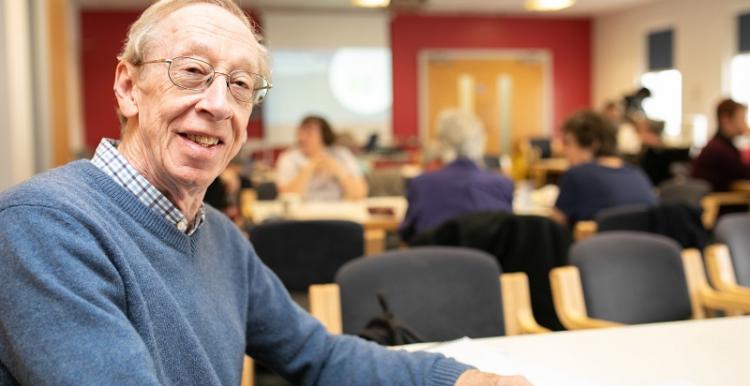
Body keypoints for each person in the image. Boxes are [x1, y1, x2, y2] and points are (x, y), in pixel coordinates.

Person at [0, 1, 530, 385]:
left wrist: (454, 379)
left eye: (240, 86)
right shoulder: (43, 225)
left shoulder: (222, 238)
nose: (219, 104)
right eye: (192, 72)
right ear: (127, 86)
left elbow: (316, 355)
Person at [399, 110, 514, 242]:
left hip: (434, 261)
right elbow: (507, 235)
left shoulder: (421, 184)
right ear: (480, 140)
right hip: (485, 261)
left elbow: (407, 233)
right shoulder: (502, 184)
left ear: (441, 142)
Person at [552, 111, 656, 225]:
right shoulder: (638, 174)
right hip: (642, 242)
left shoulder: (576, 175)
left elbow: (555, 227)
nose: (563, 151)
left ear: (592, 143)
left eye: (568, 143)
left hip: (596, 242)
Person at [276, 115, 368, 201]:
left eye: (309, 133)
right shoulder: (289, 158)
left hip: (338, 212)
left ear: (324, 136)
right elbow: (285, 196)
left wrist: (338, 170)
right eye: (300, 132)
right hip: (302, 214)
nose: (302, 138)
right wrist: (309, 168)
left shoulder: (341, 155)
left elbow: (360, 193)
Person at [691, 98, 750, 192]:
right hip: (718, 203)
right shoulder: (719, 150)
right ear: (725, 120)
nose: (745, 124)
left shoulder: (722, 145)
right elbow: (745, 174)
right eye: (741, 118)